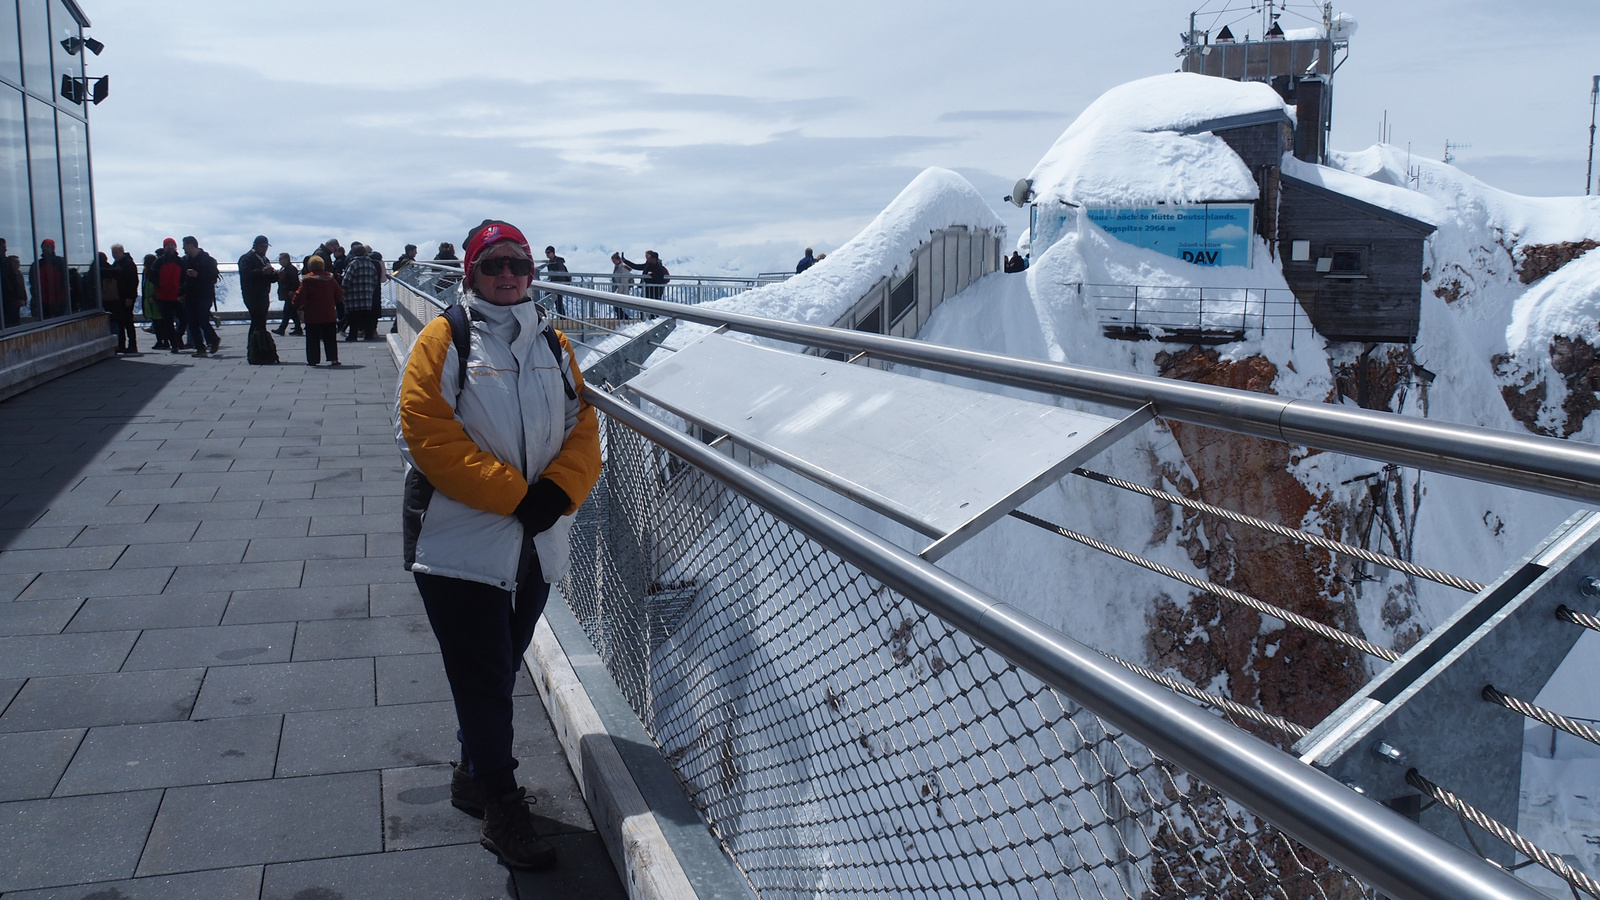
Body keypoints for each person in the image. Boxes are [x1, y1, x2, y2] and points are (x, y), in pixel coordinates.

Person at [396, 219, 600, 872]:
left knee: (500, 666)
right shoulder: (446, 336)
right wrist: (516, 496)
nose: (507, 275)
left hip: (532, 541)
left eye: (518, 264)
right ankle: (502, 805)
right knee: (484, 674)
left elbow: (583, 427)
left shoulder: (555, 343)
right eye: (493, 265)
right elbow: (425, 431)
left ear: (532, 274)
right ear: (470, 274)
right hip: (458, 543)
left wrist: (557, 493)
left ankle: (470, 771)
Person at [292, 255, 343, 366]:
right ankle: (333, 358)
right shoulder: (330, 279)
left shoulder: (307, 280)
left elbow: (299, 295)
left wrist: (295, 304)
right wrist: (334, 302)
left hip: (312, 314)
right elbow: (339, 293)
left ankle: (313, 359)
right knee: (330, 338)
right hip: (329, 313)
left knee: (312, 338)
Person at [179, 236, 221, 357]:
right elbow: (182, 279)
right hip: (190, 295)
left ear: (191, 246)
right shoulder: (185, 261)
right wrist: (181, 293)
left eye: (185, 246)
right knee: (192, 322)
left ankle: (213, 339)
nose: (184, 249)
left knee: (202, 318)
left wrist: (198, 274)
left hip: (204, 294)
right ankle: (200, 348)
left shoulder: (207, 260)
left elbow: (213, 277)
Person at [341, 242, 381, 341]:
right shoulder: (370, 264)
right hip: (367, 295)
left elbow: (346, 280)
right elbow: (375, 280)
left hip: (353, 296)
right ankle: (369, 335)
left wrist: (344, 290)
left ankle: (352, 336)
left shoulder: (353, 264)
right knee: (366, 316)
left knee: (353, 317)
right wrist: (369, 290)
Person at [151, 239, 187, 351]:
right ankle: (174, 344)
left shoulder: (180, 261)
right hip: (163, 296)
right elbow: (152, 276)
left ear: (175, 247)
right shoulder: (159, 261)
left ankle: (176, 336)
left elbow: (184, 277)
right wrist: (160, 285)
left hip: (177, 295)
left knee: (184, 319)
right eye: (168, 245)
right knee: (168, 321)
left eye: (172, 245)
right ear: (164, 247)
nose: (170, 247)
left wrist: (182, 291)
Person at [238, 235, 277, 334]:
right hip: (252, 294)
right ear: (255, 246)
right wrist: (262, 271)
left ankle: (260, 345)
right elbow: (245, 274)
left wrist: (277, 276)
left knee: (261, 322)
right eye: (262, 246)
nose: (265, 249)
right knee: (257, 321)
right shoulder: (246, 258)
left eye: (266, 246)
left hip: (263, 294)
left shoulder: (265, 259)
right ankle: (254, 345)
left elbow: (270, 278)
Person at [110, 244, 140, 353]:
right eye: (113, 253)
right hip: (119, 296)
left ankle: (132, 344)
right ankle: (121, 344)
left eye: (116, 252)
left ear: (122, 252)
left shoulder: (128, 264)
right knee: (121, 321)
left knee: (127, 321)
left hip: (126, 296)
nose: (114, 255)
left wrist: (130, 297)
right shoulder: (117, 263)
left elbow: (133, 282)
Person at [29, 238, 68, 318]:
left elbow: (64, 280)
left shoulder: (59, 262)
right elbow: (33, 282)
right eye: (44, 247)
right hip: (44, 300)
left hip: (58, 299)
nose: (45, 249)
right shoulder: (37, 264)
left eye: (47, 246)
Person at [274, 252, 302, 336]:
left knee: (287, 311)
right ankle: (298, 328)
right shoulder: (285, 269)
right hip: (287, 293)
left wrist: (292, 290)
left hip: (290, 294)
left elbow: (294, 281)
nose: (279, 261)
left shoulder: (290, 269)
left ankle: (282, 328)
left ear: (286, 259)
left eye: (280, 259)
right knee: (292, 312)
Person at [608, 252, 633, 319]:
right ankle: (622, 317)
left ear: (618, 259)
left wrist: (620, 291)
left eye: (614, 261)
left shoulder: (623, 268)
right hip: (619, 287)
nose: (614, 262)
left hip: (622, 288)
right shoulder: (617, 267)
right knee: (617, 305)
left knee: (617, 305)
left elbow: (624, 281)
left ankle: (625, 317)